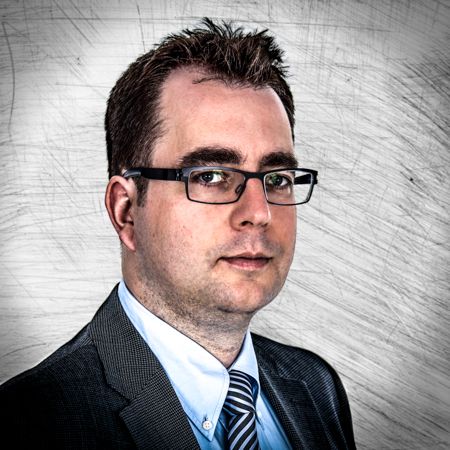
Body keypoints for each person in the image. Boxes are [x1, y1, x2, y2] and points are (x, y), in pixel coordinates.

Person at [0, 18, 356, 450]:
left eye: (277, 178)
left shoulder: (315, 387)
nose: (259, 213)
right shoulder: (29, 422)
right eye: (210, 176)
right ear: (126, 212)